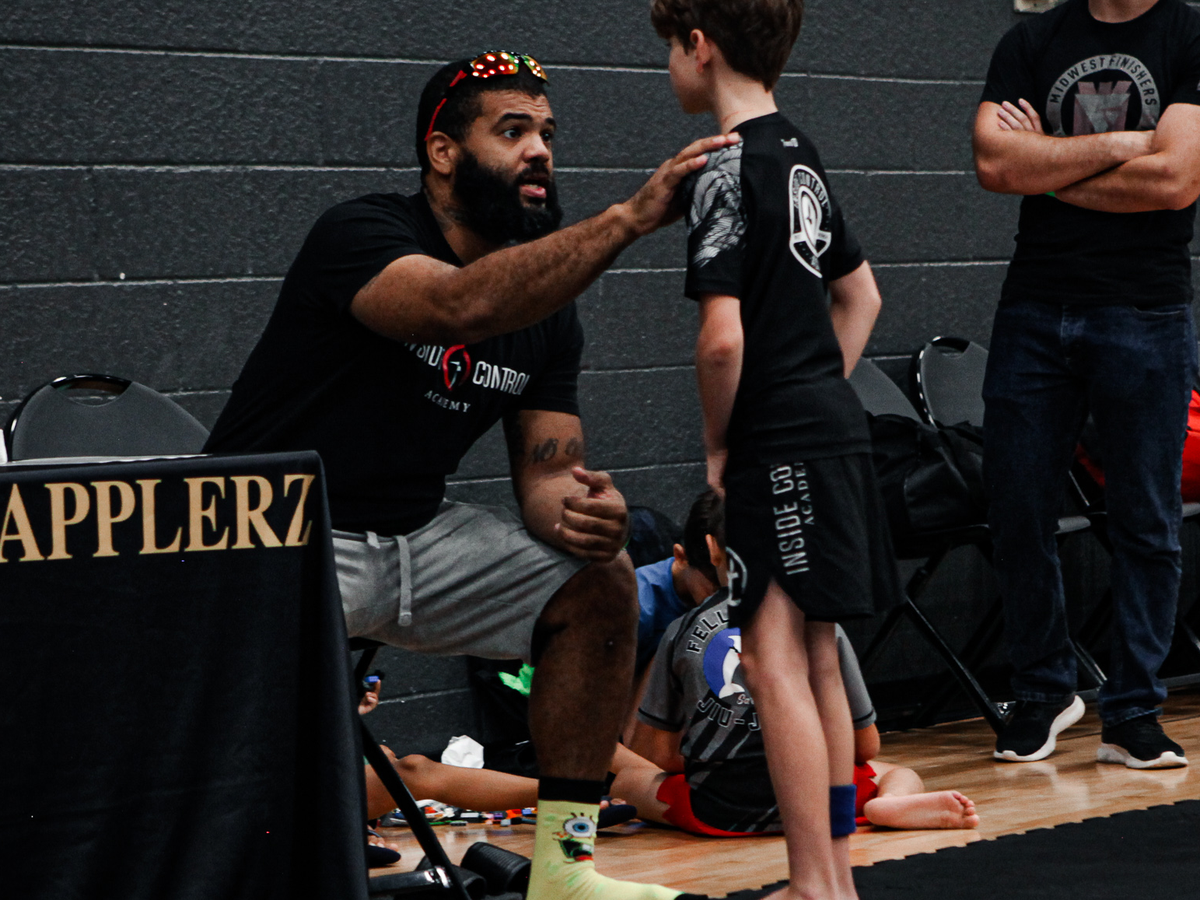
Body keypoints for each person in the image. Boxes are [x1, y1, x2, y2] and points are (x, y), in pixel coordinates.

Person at [205, 50, 738, 900]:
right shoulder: (361, 233)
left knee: (598, 582)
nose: (540, 151)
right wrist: (631, 218)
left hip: (417, 536)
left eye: (548, 134)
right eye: (512, 131)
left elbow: (548, 480)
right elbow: (458, 306)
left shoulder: (548, 314)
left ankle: (565, 868)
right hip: (279, 529)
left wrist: (586, 513)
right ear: (443, 152)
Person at [651, 2, 901, 898]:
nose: (668, 67)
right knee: (817, 653)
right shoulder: (799, 149)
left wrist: (722, 440)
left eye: (669, 49)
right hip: (829, 425)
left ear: (699, 46)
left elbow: (722, 340)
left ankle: (812, 882)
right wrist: (817, 385)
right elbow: (862, 297)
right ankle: (833, 877)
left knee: (770, 658)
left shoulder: (724, 165)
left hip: (782, 440)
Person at [366, 510, 978, 836]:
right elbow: (863, 743)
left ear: (711, 553)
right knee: (888, 768)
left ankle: (597, 792)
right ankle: (889, 802)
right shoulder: (813, 620)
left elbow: (657, 755)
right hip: (808, 797)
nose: (716, 601)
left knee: (639, 776)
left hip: (705, 791)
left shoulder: (687, 625)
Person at [973, 0, 1200, 768]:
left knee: (1146, 520)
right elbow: (994, 166)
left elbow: (1175, 179)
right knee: (1016, 507)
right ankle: (1043, 691)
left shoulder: (1190, 35)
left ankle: (1134, 712)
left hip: (1145, 310)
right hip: (1035, 306)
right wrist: (1124, 144)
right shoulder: (1031, 39)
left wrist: (1047, 165)